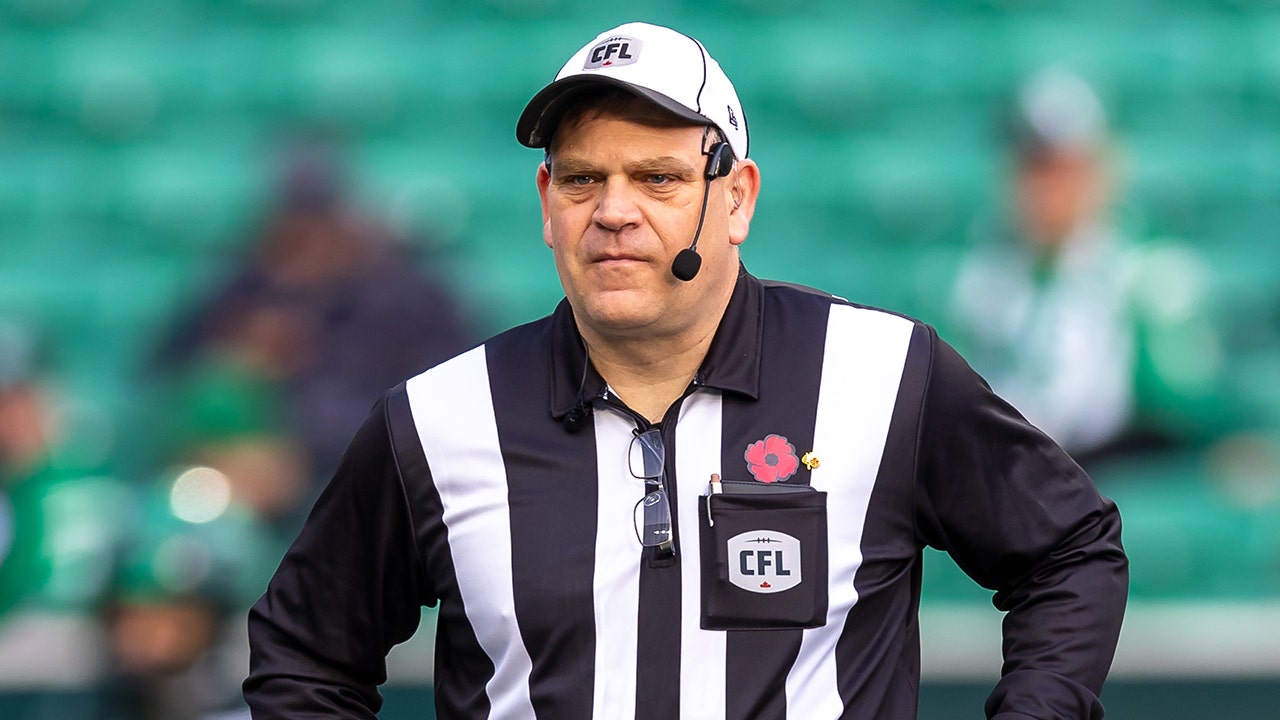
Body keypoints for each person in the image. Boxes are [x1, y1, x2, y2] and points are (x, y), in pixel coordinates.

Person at [244, 22, 1128, 720]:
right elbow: (305, 655)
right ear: (545, 206)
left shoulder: (883, 375)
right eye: (583, 180)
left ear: (736, 198)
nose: (615, 212)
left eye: (658, 179)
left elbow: (1070, 551)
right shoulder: (439, 420)